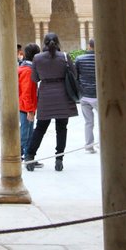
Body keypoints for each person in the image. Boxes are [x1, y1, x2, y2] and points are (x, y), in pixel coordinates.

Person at [25, 33, 76, 171]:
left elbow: (35, 78)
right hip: (62, 95)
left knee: (40, 128)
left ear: (44, 43)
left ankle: (30, 155)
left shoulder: (37, 58)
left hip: (46, 95)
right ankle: (59, 159)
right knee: (61, 128)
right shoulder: (64, 57)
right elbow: (73, 74)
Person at [75, 38, 98, 153]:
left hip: (84, 95)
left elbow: (76, 76)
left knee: (88, 122)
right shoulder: (102, 58)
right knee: (105, 121)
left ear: (89, 46)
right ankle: (107, 144)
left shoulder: (79, 59)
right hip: (98, 95)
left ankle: (89, 146)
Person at [17, 42, 39, 150]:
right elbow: (26, 92)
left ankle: (26, 156)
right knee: (26, 133)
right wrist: (30, 110)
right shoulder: (28, 71)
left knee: (27, 132)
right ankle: (25, 156)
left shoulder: (23, 67)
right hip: (26, 107)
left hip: (24, 106)